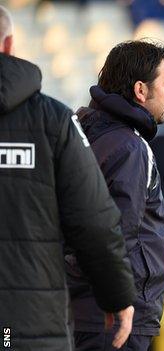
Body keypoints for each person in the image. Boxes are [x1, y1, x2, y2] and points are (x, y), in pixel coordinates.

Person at [0, 5, 135, 350]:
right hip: (27, 327)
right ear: (9, 44)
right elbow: (93, 222)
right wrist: (116, 295)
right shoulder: (53, 120)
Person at [66, 39, 164, 350]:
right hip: (115, 317)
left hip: (80, 309)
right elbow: (117, 235)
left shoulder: (80, 134)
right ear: (141, 90)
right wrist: (120, 301)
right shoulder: (129, 147)